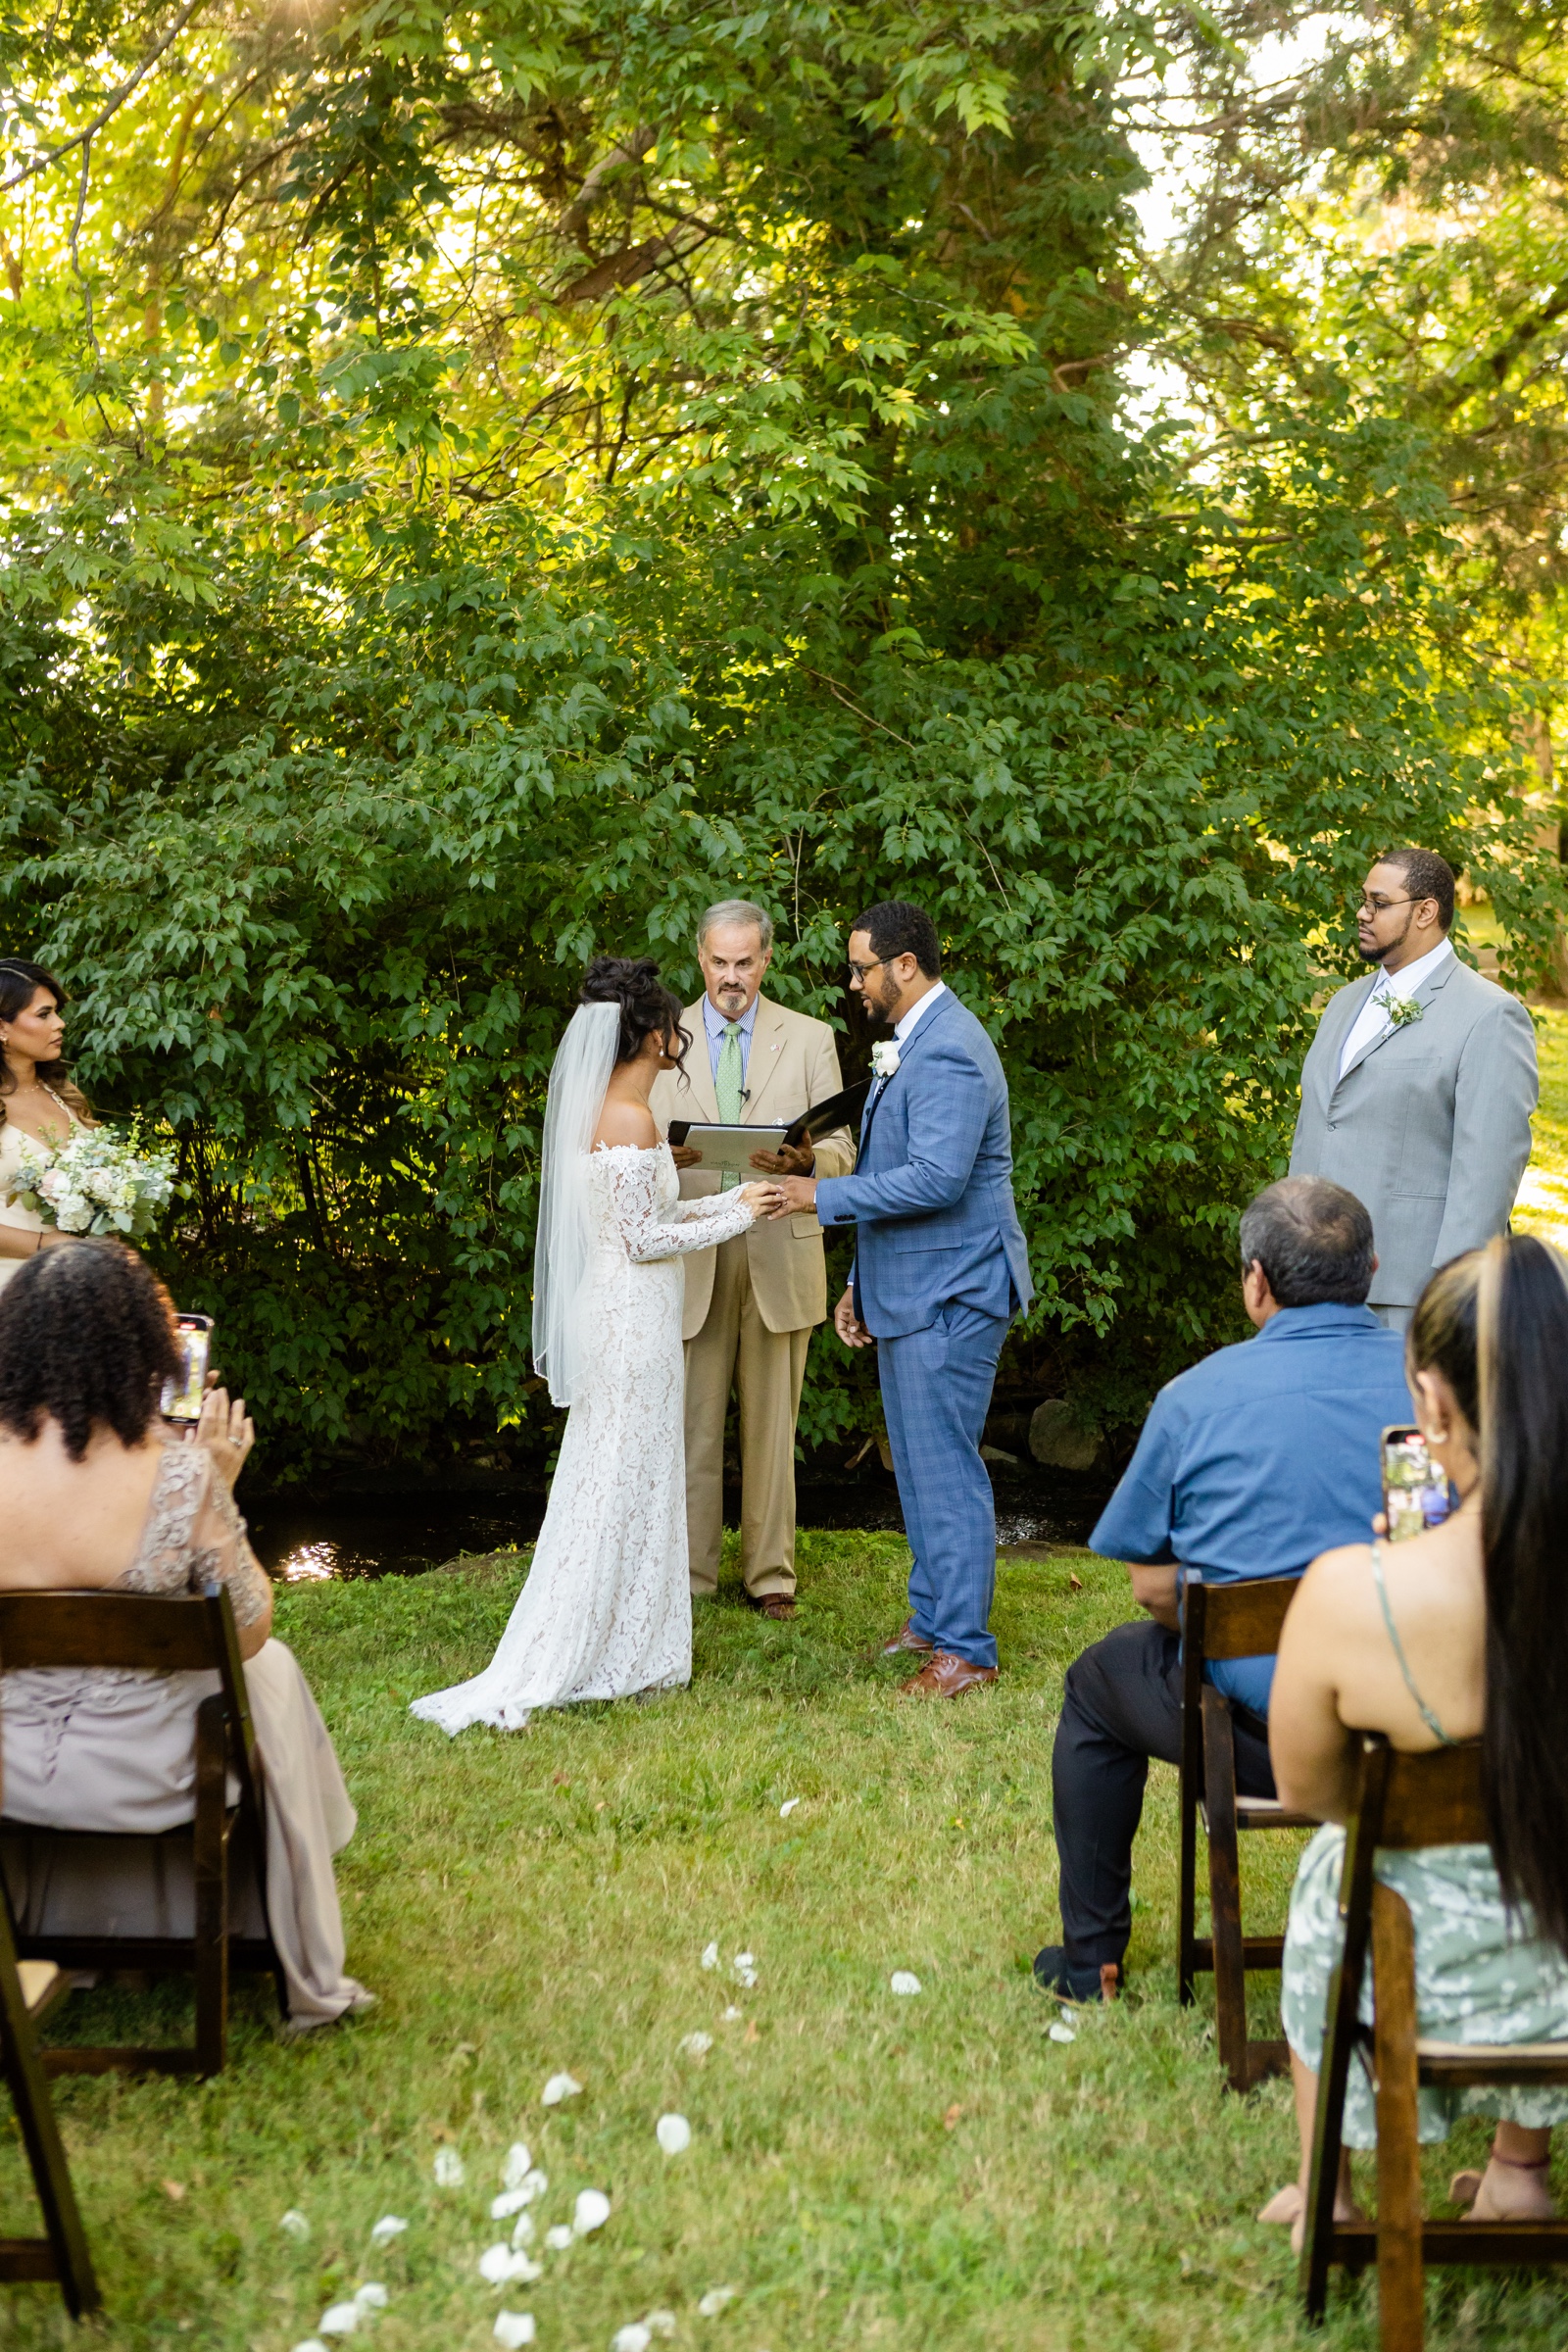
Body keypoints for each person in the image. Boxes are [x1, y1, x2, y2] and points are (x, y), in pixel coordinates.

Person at [1035, 1176, 1410, 2003]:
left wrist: (1224, 1612)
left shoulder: (1195, 1399)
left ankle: (1091, 1959)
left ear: (1255, 1283)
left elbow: (1149, 1585)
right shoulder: (1442, 1387)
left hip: (1266, 1741)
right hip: (1423, 1727)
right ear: (1373, 1269)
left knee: (1098, 1684)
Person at [1262, 1233, 1568, 2244]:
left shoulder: (1355, 1595)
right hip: (1557, 1960)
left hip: (1416, 1966)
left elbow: (1311, 1788)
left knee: (1328, 1870)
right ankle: (1520, 2171)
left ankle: (1328, 2189)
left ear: (1432, 1407)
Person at [0, 1241, 371, 2030]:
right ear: (144, 1349)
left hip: (8, 1766)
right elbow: (244, 1630)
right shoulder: (176, 1473)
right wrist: (217, 1486)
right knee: (271, 1672)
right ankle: (272, 1919)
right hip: (150, 1766)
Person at [411, 957, 782, 1735]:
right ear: (653, 1038)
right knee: (622, 1478)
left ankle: (636, 1645)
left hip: (624, 1313)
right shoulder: (629, 1115)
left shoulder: (616, 1111)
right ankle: (606, 1647)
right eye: (673, 1025)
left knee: (634, 1474)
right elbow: (645, 1239)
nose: (679, 1034)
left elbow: (643, 1215)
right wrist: (743, 1211)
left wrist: (721, 1196)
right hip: (631, 1319)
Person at [770, 902, 1031, 1697]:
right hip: (912, 1284)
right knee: (918, 1468)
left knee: (946, 1469)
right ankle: (933, 1618)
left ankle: (967, 1652)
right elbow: (899, 1169)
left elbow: (938, 1180)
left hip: (955, 1290)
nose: (853, 984)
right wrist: (860, 1282)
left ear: (905, 966)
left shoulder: (949, 1049)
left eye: (861, 969)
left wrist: (819, 1197)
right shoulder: (910, 1044)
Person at [649, 900, 856, 1622]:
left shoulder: (810, 1037)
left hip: (779, 1246)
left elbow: (843, 1150)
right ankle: (692, 1576)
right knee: (695, 1427)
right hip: (692, 1251)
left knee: (774, 1429)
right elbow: (633, 1141)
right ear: (699, 960)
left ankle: (772, 1578)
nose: (731, 976)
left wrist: (808, 1160)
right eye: (719, 962)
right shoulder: (659, 1040)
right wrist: (659, 1158)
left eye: (745, 962)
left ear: (766, 960)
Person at [1289, 846, 1537, 1334]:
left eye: (1379, 903)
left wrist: (1452, 1294)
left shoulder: (1489, 1015)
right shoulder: (1344, 1002)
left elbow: (1488, 1168)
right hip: (1313, 1279)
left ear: (1426, 911)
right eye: (1363, 900)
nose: (1362, 913)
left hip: (1408, 1292)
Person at [0, 958, 92, 1286]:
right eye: (44, 1014)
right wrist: (44, 1244)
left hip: (75, 1287)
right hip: (11, 1289)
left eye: (55, 1011)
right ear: (2, 1028)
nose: (60, 1023)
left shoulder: (64, 1094)